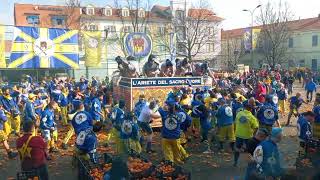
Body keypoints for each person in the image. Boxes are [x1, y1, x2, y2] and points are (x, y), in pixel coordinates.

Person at [233, 102, 259, 167]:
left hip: (238, 134)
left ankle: (235, 162)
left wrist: (235, 131)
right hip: (248, 136)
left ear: (244, 108)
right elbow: (256, 127)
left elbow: (235, 123)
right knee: (250, 150)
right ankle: (250, 163)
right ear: (250, 109)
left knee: (237, 148)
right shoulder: (252, 117)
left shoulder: (239, 114)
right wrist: (254, 134)